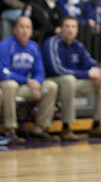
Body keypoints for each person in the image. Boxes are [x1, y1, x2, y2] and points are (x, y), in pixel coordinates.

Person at [43, 16, 101, 140]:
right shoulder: (52, 43)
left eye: (73, 27)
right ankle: (66, 127)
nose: (70, 30)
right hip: (54, 82)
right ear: (60, 29)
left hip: (73, 83)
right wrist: (87, 74)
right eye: (67, 26)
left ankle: (97, 124)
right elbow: (57, 69)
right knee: (68, 79)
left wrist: (97, 70)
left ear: (77, 30)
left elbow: (91, 63)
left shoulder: (77, 45)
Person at [0, 15, 58, 144]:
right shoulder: (5, 45)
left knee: (50, 86)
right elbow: (3, 73)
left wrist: (37, 83)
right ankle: (10, 129)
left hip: (27, 87)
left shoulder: (34, 47)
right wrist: (27, 81)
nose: (25, 30)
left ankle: (40, 128)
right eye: (21, 27)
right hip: (12, 86)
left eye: (28, 27)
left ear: (31, 32)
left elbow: (40, 71)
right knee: (10, 85)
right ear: (15, 30)